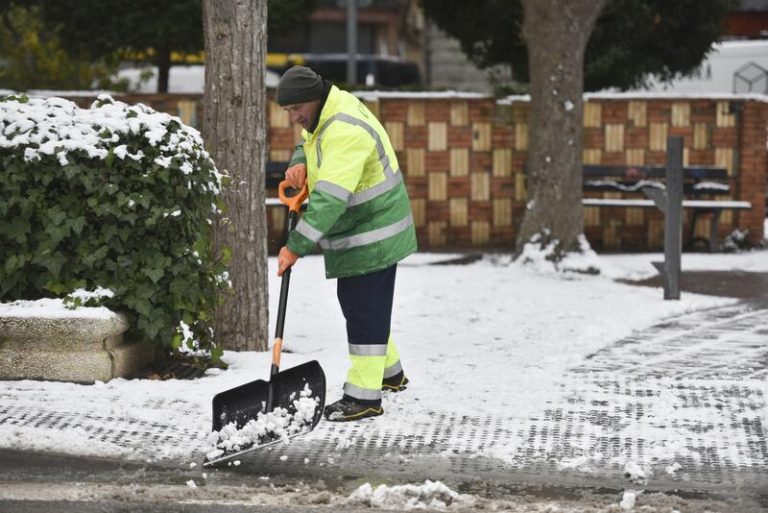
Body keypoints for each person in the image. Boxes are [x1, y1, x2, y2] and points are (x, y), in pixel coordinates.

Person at [275, 65, 417, 422]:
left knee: (364, 310)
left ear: (314, 97)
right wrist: (298, 163)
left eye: (296, 110)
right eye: (288, 111)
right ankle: (391, 374)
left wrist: (295, 247)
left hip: (374, 233)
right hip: (361, 229)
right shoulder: (327, 112)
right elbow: (310, 142)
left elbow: (330, 201)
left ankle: (364, 397)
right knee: (359, 305)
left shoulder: (344, 129)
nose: (294, 118)